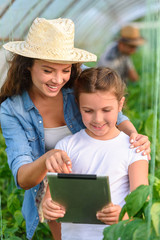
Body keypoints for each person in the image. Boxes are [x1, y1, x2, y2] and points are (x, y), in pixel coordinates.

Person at [0, 17, 150, 240]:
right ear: (29, 64)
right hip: (59, 185)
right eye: (48, 70)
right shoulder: (13, 110)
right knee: (70, 232)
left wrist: (134, 136)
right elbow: (23, 177)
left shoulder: (81, 80)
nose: (58, 79)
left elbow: (112, 108)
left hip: (103, 172)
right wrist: (48, 159)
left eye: (65, 70)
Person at [42, 67, 149, 240]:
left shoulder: (134, 149)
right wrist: (49, 207)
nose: (97, 119)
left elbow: (141, 201)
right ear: (78, 105)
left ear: (120, 104)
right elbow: (51, 197)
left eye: (106, 110)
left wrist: (123, 216)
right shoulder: (66, 146)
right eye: (88, 111)